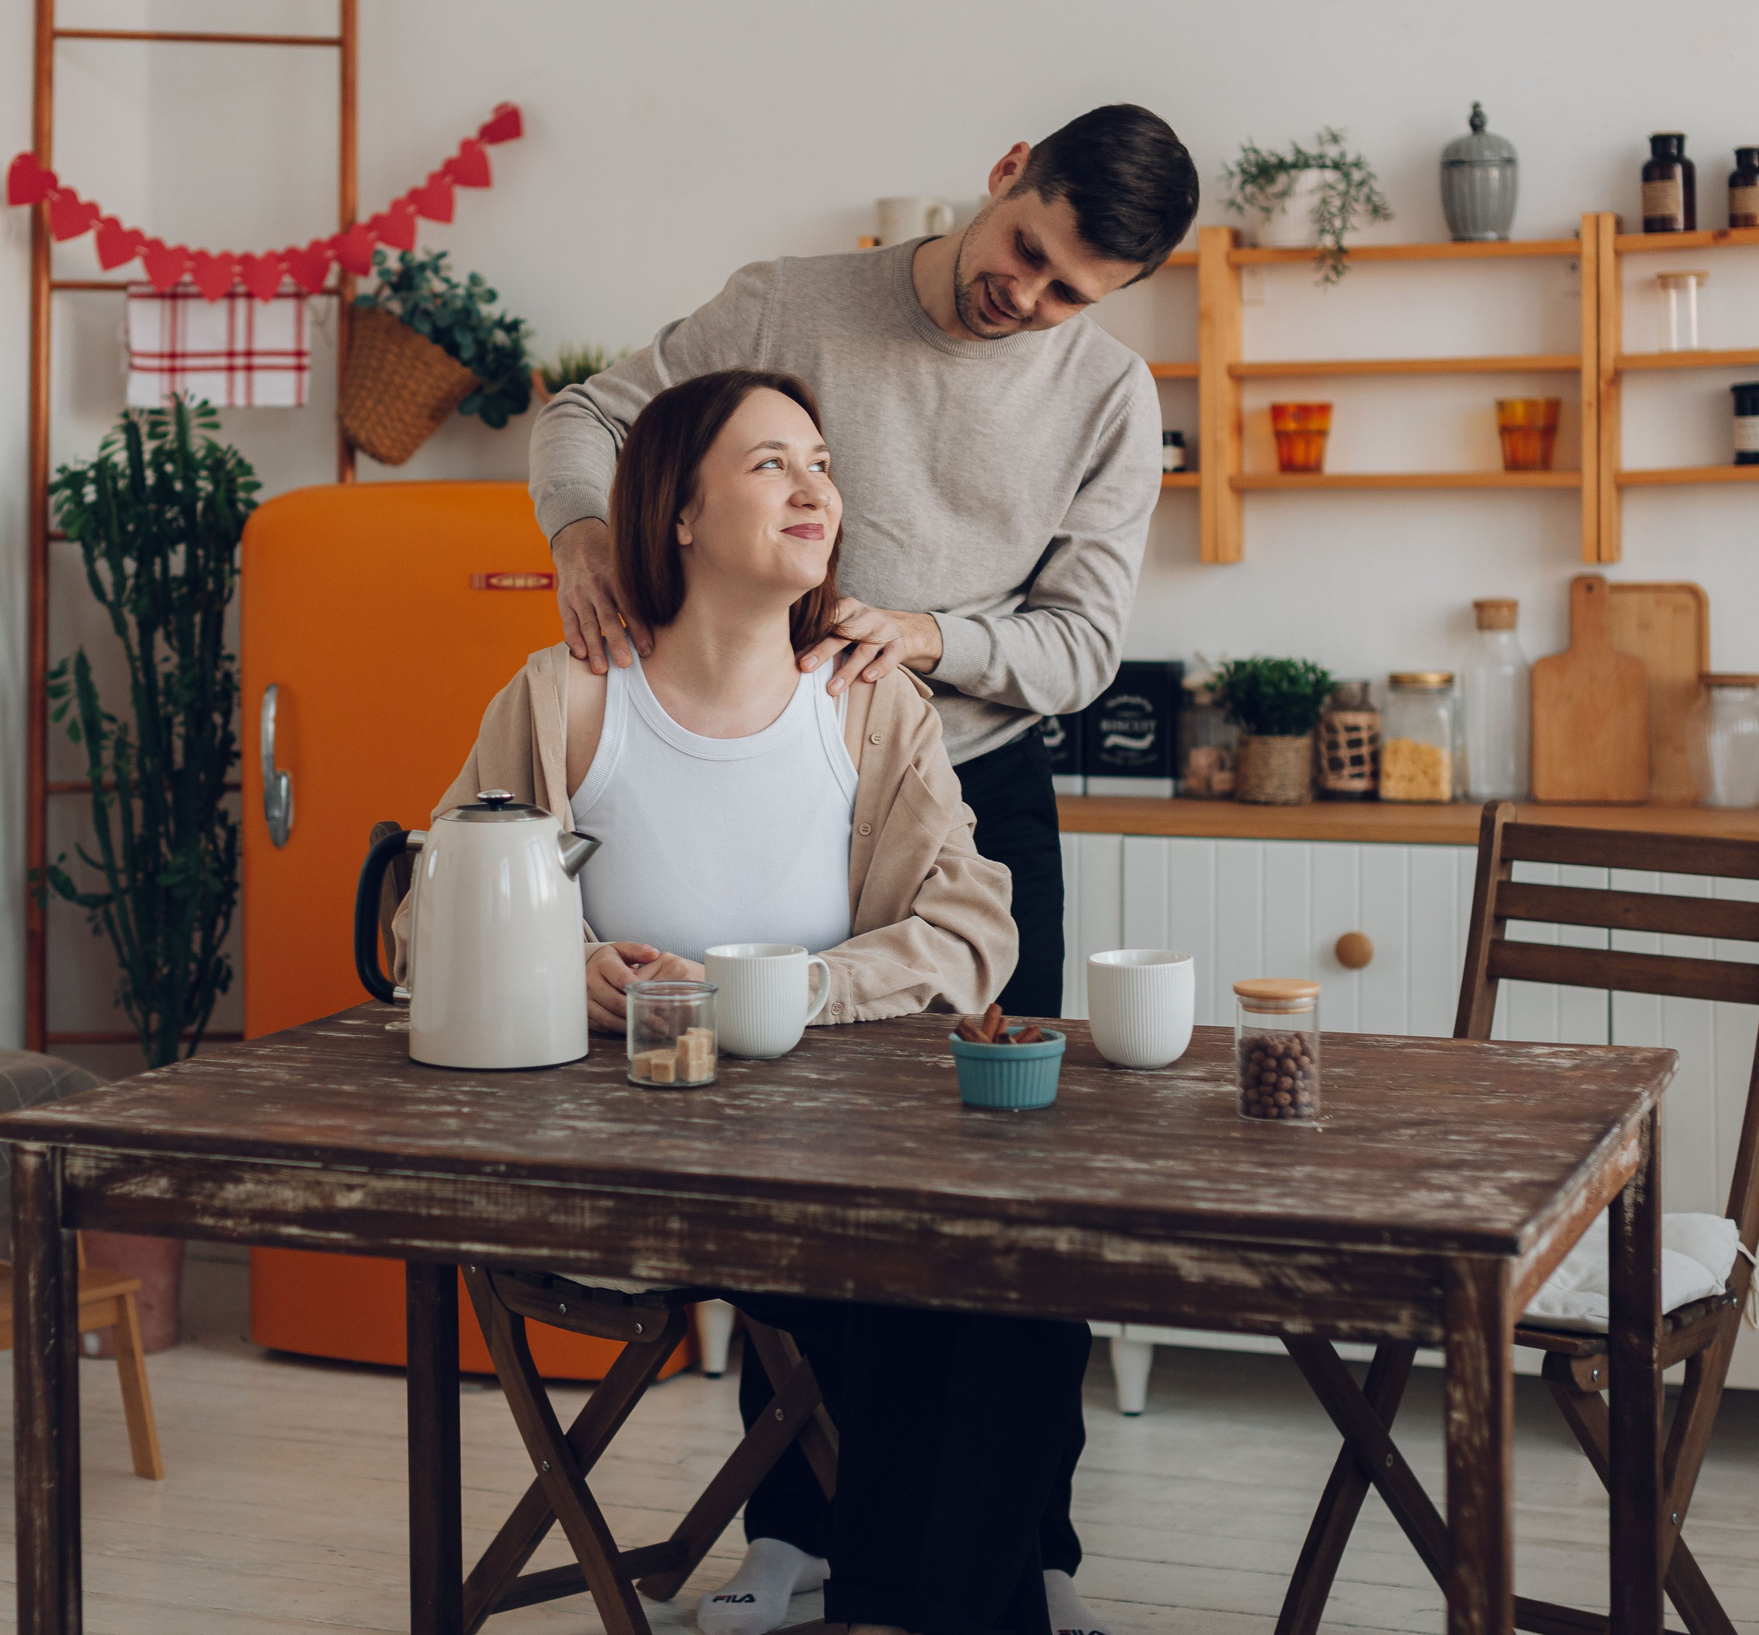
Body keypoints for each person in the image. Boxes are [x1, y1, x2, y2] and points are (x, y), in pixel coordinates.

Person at [528, 103, 1201, 1635]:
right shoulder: (788, 302)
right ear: (1004, 172)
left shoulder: (1103, 393)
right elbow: (589, 417)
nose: (1020, 299)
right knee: (810, 1169)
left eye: (1066, 291)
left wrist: (934, 636)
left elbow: (1084, 644)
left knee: (1005, 1184)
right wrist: (579, 529)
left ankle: (1026, 1549)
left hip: (971, 780)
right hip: (789, 768)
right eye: (1025, 252)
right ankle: (804, 1534)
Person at [432, 368, 1084, 1635]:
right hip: (626, 1180)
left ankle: (910, 1613)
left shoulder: (867, 704)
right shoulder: (566, 702)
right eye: (770, 462)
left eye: (823, 464)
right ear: (674, 511)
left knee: (1025, 1280)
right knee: (924, 1291)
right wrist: (564, 967)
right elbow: (434, 918)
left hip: (839, 1175)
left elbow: (968, 932)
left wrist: (789, 989)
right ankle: (921, 1607)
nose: (813, 487)